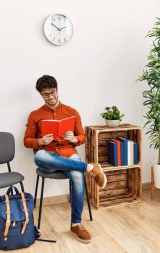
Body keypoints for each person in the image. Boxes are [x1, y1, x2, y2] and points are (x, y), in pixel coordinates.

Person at [24, 75, 107, 243]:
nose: (51, 97)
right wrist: (39, 141)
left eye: (53, 92)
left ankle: (76, 224)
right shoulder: (35, 115)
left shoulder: (72, 112)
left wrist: (75, 139)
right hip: (47, 159)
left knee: (77, 177)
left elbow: (82, 137)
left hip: (68, 152)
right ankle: (89, 168)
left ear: (57, 89)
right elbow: (26, 141)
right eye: (46, 94)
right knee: (39, 154)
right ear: (41, 95)